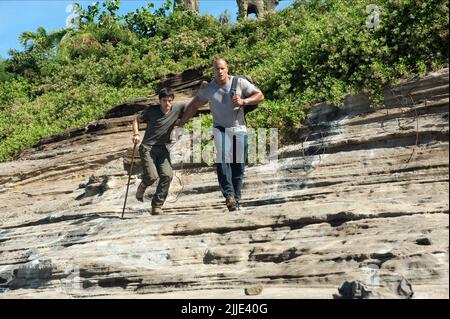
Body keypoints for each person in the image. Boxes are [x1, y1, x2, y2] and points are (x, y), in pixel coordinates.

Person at [177, 58, 264, 211]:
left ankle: (235, 200)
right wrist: (180, 124)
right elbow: (194, 106)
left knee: (238, 166)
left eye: (222, 68)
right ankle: (229, 195)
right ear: (213, 70)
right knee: (222, 158)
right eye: (217, 69)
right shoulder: (209, 88)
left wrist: (244, 101)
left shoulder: (239, 83)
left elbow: (260, 95)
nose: (220, 71)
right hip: (220, 129)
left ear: (227, 68)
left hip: (239, 129)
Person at [132, 88, 185, 215]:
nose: (167, 104)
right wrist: (136, 134)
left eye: (169, 101)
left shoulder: (176, 109)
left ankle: (156, 206)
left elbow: (195, 103)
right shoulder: (151, 111)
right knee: (152, 176)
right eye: (164, 100)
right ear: (159, 100)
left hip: (162, 149)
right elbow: (135, 120)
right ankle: (143, 185)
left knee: (167, 175)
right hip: (147, 148)